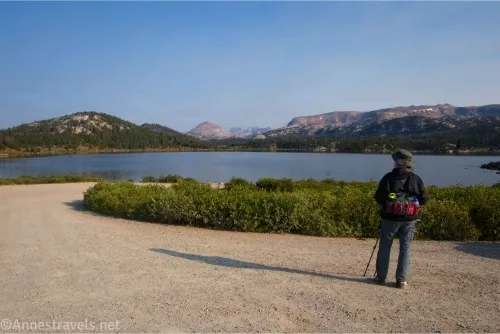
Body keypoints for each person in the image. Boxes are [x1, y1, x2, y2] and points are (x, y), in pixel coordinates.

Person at [373, 149, 430, 289]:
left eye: (394, 160)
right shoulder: (416, 179)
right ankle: (401, 281)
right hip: (410, 219)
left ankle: (381, 278)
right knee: (405, 248)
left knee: (385, 246)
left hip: (390, 218)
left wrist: (389, 204)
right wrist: (413, 205)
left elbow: (378, 197)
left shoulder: (388, 177)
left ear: (398, 162)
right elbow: (425, 198)